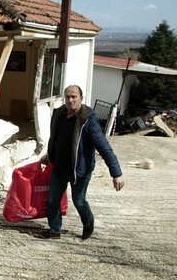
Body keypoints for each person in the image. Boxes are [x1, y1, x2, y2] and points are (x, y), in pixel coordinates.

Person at [40, 85, 125, 240]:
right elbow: (56, 138)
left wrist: (116, 173)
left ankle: (88, 222)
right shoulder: (59, 114)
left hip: (80, 169)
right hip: (59, 166)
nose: (70, 100)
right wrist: (49, 154)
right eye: (68, 97)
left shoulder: (88, 120)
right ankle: (54, 229)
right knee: (52, 199)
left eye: (74, 97)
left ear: (81, 98)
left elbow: (104, 147)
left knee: (79, 202)